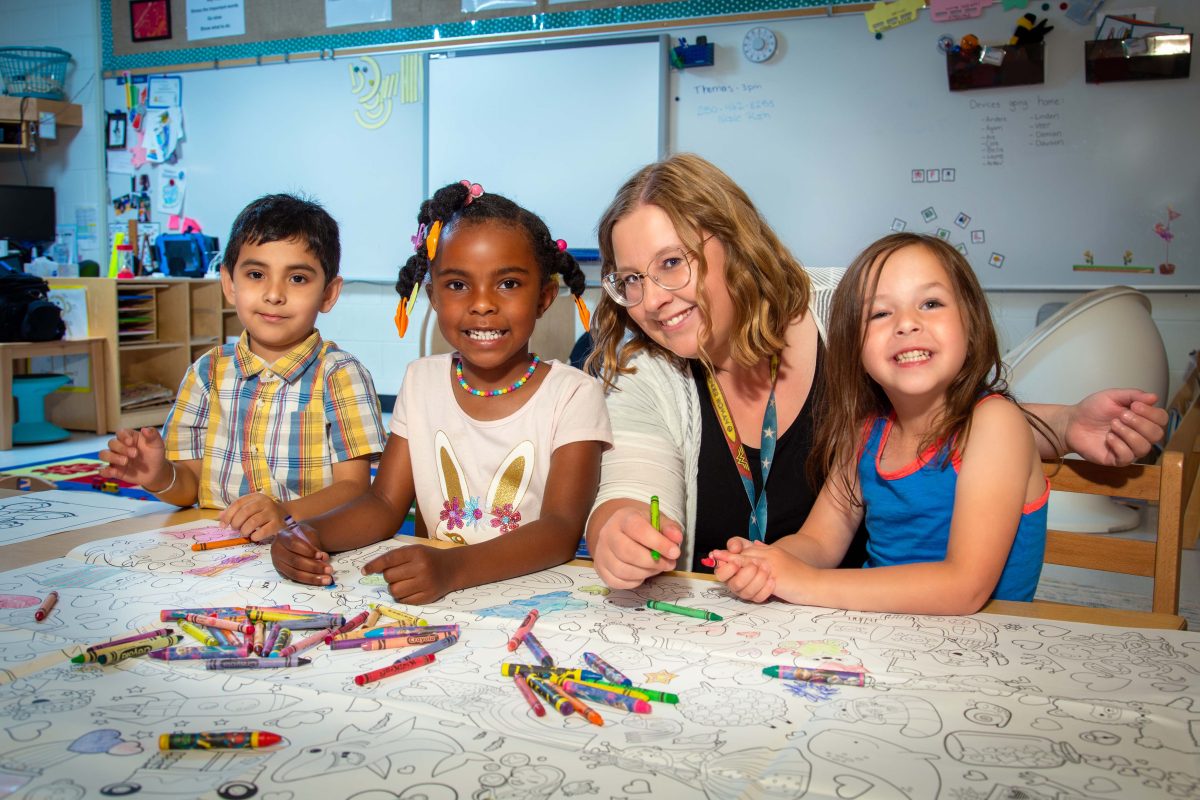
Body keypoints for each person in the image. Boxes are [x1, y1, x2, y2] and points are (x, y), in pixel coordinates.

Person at [585, 153, 1169, 591]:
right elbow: (632, 486)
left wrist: (1064, 424)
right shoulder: (644, 373)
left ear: (734, 245)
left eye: (672, 263)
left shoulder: (856, 308)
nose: (651, 299)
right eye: (629, 279)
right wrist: (619, 529)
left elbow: (951, 411)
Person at [270, 181, 612, 603]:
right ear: (432, 297)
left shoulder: (574, 394)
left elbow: (559, 531)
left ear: (543, 297)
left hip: (528, 602)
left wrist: (452, 568)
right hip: (438, 604)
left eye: (508, 284)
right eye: (457, 285)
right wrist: (308, 533)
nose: (482, 304)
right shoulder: (422, 381)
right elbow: (383, 503)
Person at [711, 233, 1051, 613]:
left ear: (971, 323)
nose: (907, 323)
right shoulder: (865, 434)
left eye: (931, 303)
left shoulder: (996, 423)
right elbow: (818, 543)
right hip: (882, 635)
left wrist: (807, 582)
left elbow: (964, 587)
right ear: (853, 344)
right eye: (880, 313)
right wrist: (765, 562)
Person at [100, 194, 386, 541]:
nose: (274, 294)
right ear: (229, 284)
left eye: (297, 278)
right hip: (216, 548)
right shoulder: (206, 373)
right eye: (256, 274)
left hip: (302, 548)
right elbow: (188, 486)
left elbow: (355, 490)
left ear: (328, 294)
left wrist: (285, 513)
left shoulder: (340, 375)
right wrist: (159, 475)